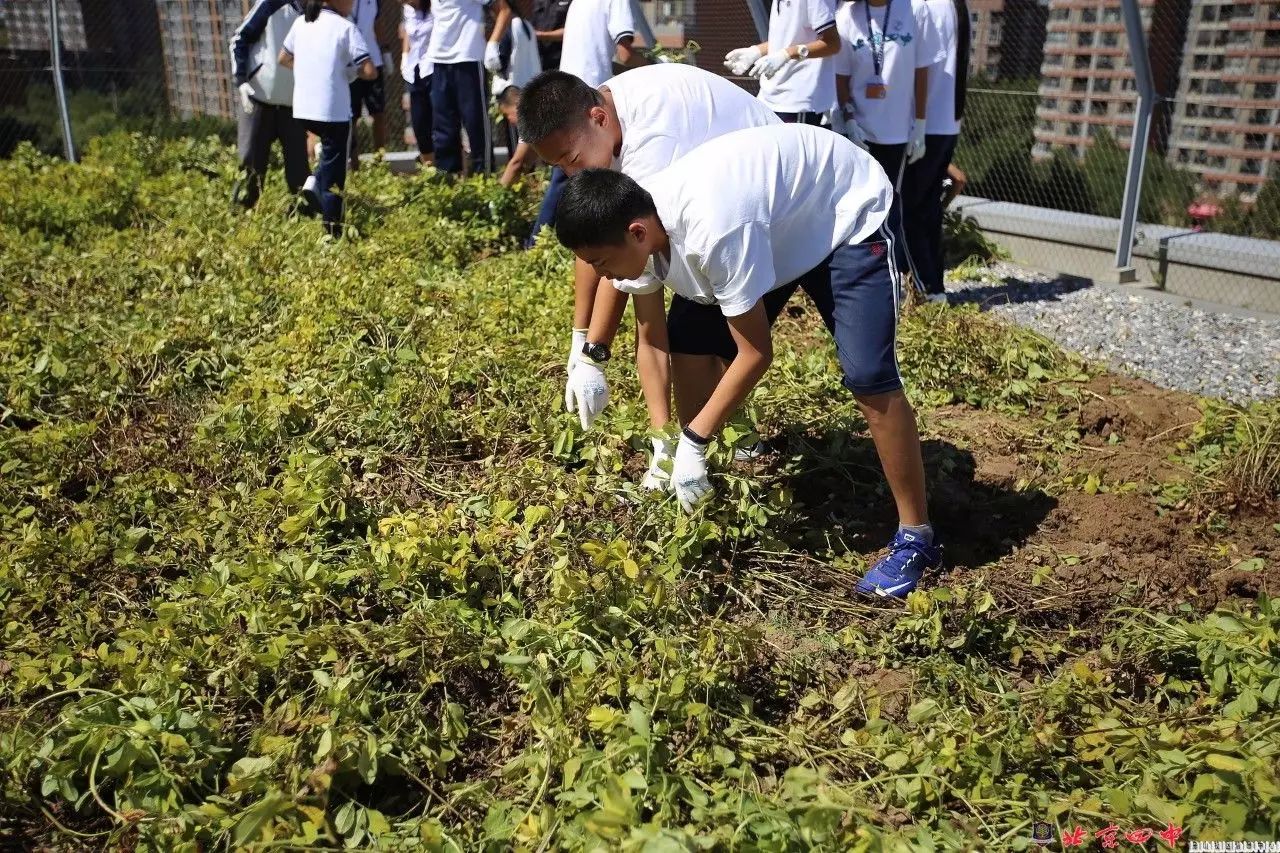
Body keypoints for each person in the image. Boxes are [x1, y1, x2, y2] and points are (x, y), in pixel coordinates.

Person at [553, 123, 943, 598]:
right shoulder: (641, 228)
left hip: (845, 213)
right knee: (691, 339)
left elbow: (757, 354)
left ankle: (916, 537)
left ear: (637, 233)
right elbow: (654, 340)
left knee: (868, 375)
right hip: (778, 224)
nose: (599, 276)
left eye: (599, 263)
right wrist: (665, 444)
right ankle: (707, 488)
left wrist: (693, 439)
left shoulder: (714, 233)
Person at [516, 64, 781, 486]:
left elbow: (645, 315)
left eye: (571, 160)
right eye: (560, 167)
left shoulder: (652, 153)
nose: (572, 175)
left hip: (767, 210)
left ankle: (731, 444)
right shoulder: (599, 115)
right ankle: (713, 441)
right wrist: (585, 344)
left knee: (709, 334)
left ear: (598, 118)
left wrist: (675, 440)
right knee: (692, 335)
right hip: (718, 200)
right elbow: (598, 252)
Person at [830, 0, 944, 287]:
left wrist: (920, 123)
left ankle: (890, 272)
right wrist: (849, 119)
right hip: (859, 131)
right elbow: (841, 78)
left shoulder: (916, 10)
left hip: (897, 132)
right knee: (857, 205)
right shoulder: (847, 15)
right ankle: (857, 272)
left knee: (891, 205)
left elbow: (921, 70)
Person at [524, 0, 635, 246]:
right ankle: (545, 241)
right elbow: (626, 54)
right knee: (580, 173)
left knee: (565, 172)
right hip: (590, 93)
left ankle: (539, 241)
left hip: (567, 91)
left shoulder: (578, 3)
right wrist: (655, 66)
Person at [280, 0, 377, 237]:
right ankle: (332, 232)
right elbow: (369, 70)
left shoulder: (301, 23)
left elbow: (283, 58)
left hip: (303, 110)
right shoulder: (345, 27)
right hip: (333, 111)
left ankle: (314, 184)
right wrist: (349, 71)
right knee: (335, 175)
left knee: (327, 160)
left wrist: (310, 69)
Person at [901, 0, 970, 301]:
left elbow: (920, 67)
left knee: (908, 210)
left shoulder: (925, 5)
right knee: (927, 209)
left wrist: (914, 121)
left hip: (924, 121)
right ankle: (932, 286)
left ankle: (923, 288)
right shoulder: (953, 5)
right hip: (945, 121)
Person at [229, 0, 309, 209]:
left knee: (299, 170)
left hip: (293, 105)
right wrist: (241, 81)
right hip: (259, 100)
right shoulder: (270, 4)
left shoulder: (315, 10)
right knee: (250, 166)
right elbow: (240, 39)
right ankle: (240, 216)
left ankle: (303, 216)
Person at [427, 0, 512, 174]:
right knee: (444, 129)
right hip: (439, 60)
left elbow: (504, 10)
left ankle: (484, 178)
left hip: (468, 58)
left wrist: (492, 43)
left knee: (475, 124)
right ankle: (448, 184)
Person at [723, 0, 841, 124]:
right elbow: (788, 39)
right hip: (769, 96)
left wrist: (787, 54)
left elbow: (833, 44)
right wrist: (755, 51)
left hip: (797, 102)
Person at [347, 0, 391, 170]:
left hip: (373, 61)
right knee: (352, 117)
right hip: (349, 65)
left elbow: (378, 23)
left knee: (379, 113)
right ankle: (355, 165)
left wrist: (385, 50)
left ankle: (379, 163)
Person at [401, 0, 435, 165]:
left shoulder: (436, 7)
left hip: (435, 69)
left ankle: (454, 171)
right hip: (414, 70)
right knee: (420, 123)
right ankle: (430, 170)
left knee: (441, 123)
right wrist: (405, 54)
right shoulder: (408, 9)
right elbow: (408, 31)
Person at [530, 0, 572, 71]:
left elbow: (571, 31)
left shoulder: (571, 2)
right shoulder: (535, 2)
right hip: (536, 60)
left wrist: (540, 35)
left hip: (559, 62)